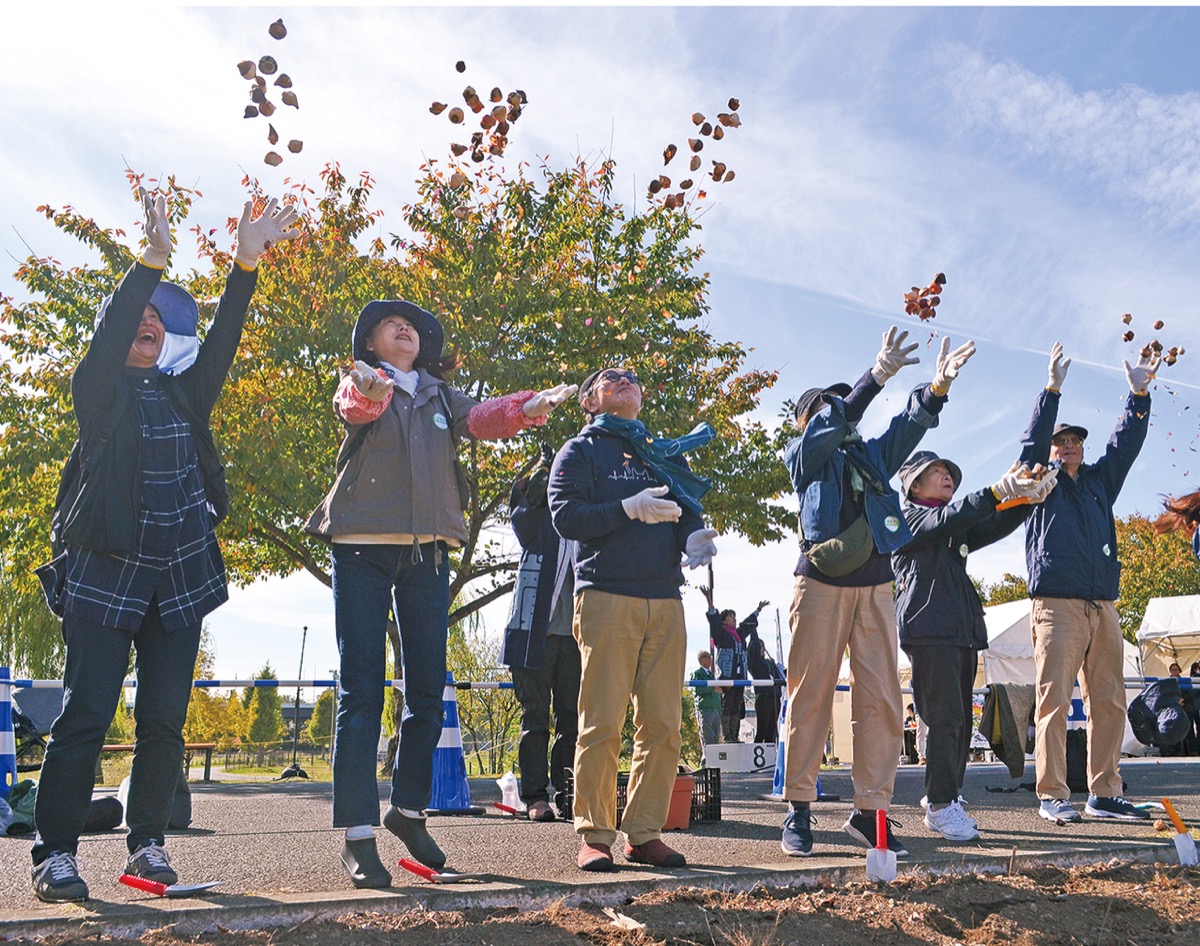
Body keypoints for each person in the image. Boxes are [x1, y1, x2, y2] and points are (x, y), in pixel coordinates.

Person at [30, 189, 299, 903]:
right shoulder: (97, 390)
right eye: (135, 318)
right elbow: (117, 317)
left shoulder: (183, 395)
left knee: (162, 724)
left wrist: (244, 266)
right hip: (104, 573)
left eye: (156, 319)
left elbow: (224, 340)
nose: (146, 323)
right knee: (85, 714)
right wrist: (148, 264)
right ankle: (54, 854)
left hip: (178, 577)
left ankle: (147, 844)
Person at [305, 300, 576, 887]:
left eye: (411, 325)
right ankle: (356, 833)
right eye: (389, 324)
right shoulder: (362, 381)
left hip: (427, 551)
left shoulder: (436, 394)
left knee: (428, 689)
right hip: (360, 548)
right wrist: (368, 385)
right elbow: (355, 407)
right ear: (372, 343)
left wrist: (528, 408)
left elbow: (481, 417)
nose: (404, 328)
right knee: (361, 689)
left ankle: (407, 811)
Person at [779, 327, 975, 859]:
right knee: (811, 696)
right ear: (809, 418)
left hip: (876, 585)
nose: (841, 410)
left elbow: (908, 428)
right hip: (821, 583)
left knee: (883, 702)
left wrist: (935, 389)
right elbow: (829, 423)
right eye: (829, 405)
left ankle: (871, 813)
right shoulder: (805, 455)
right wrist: (875, 377)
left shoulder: (868, 455)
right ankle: (798, 808)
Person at [547, 365, 718, 872]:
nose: (625, 380)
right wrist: (627, 509)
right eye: (609, 377)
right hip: (606, 595)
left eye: (631, 378)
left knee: (664, 725)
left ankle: (643, 833)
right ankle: (595, 835)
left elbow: (686, 510)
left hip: (666, 599)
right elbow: (566, 517)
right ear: (590, 402)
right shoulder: (579, 452)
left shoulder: (658, 453)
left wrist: (694, 536)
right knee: (601, 721)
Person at [893, 362, 1060, 842]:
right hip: (930, 631)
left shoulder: (949, 526)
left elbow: (988, 524)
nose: (946, 477)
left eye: (948, 472)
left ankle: (944, 794)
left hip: (961, 631)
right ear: (914, 485)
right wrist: (996, 491)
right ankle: (941, 806)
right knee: (943, 720)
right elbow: (964, 514)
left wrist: (1026, 499)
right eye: (936, 472)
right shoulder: (909, 521)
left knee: (961, 723)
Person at [1019, 346, 1161, 823]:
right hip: (1056, 605)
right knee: (1054, 700)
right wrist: (1050, 391)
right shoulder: (1038, 481)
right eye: (1061, 441)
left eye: (1076, 440)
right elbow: (1032, 443)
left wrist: (1138, 396)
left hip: (1103, 604)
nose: (1069, 445)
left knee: (1109, 701)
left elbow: (1126, 444)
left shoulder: (1100, 481)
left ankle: (1104, 792)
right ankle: (1053, 795)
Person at [500, 445, 580, 821]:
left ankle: (569, 792)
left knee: (572, 719)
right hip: (535, 634)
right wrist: (539, 469)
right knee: (535, 716)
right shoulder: (536, 520)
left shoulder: (582, 519)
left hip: (578, 636)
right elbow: (521, 502)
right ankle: (535, 796)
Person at [701, 591, 768, 742]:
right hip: (728, 675)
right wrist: (710, 602)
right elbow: (714, 621)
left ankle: (735, 735)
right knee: (728, 704)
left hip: (740, 676)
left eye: (734, 616)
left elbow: (746, 625)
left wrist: (757, 611)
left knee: (737, 705)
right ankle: (727, 735)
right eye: (731, 616)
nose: (734, 619)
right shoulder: (722, 635)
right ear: (724, 620)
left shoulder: (738, 635)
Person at [746, 637, 783, 745]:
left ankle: (770, 755)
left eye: (763, 647)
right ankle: (757, 752)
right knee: (763, 727)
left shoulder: (769, 662)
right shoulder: (754, 663)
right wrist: (754, 634)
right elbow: (753, 653)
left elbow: (779, 675)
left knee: (772, 729)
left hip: (774, 697)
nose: (762, 649)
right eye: (760, 647)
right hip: (763, 697)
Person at [690, 651, 723, 748]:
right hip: (705, 708)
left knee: (716, 738)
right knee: (707, 737)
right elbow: (698, 689)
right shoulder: (698, 674)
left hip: (715, 709)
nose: (710, 659)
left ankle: (714, 760)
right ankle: (707, 761)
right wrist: (713, 688)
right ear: (701, 660)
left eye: (710, 657)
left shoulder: (712, 675)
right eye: (707, 657)